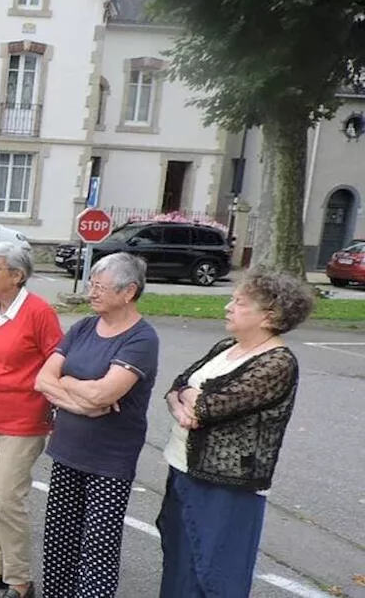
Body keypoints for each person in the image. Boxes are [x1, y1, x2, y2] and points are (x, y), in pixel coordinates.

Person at [158, 267, 314, 598]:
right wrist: (184, 402)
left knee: (214, 574)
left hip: (226, 485)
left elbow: (212, 406)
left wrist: (190, 401)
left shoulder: (277, 363)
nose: (229, 307)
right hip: (183, 469)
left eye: (240, 303)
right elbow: (176, 386)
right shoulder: (226, 345)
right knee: (178, 563)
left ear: (269, 315)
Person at [34, 252, 159, 598]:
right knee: (59, 541)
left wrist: (71, 383)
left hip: (109, 460)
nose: (91, 292)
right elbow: (43, 378)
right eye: (91, 284)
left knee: (98, 548)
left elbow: (106, 393)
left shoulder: (141, 339)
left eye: (100, 287)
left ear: (129, 292)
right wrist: (82, 401)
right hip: (67, 450)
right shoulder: (84, 327)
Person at [0, 242, 62, 598]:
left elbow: (58, 359)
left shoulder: (39, 312)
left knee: (7, 499)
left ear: (17, 276)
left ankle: (20, 580)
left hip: (23, 419)